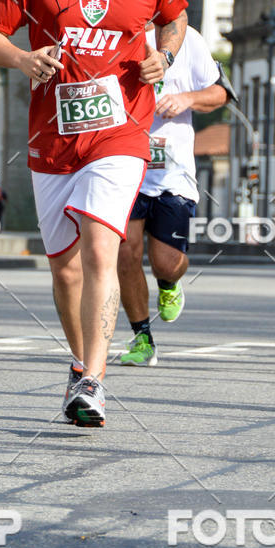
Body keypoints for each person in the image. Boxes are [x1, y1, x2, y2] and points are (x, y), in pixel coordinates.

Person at [0, 0, 188, 426]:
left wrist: (162, 57)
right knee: (65, 269)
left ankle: (93, 381)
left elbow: (175, 20)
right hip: (53, 138)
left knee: (101, 248)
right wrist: (23, 57)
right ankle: (78, 364)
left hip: (120, 133)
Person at [117, 25, 227, 365]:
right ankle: (142, 339)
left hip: (172, 176)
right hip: (123, 166)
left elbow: (221, 93)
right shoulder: (111, 34)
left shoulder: (186, 39)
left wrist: (186, 99)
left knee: (167, 263)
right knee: (126, 254)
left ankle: (169, 283)